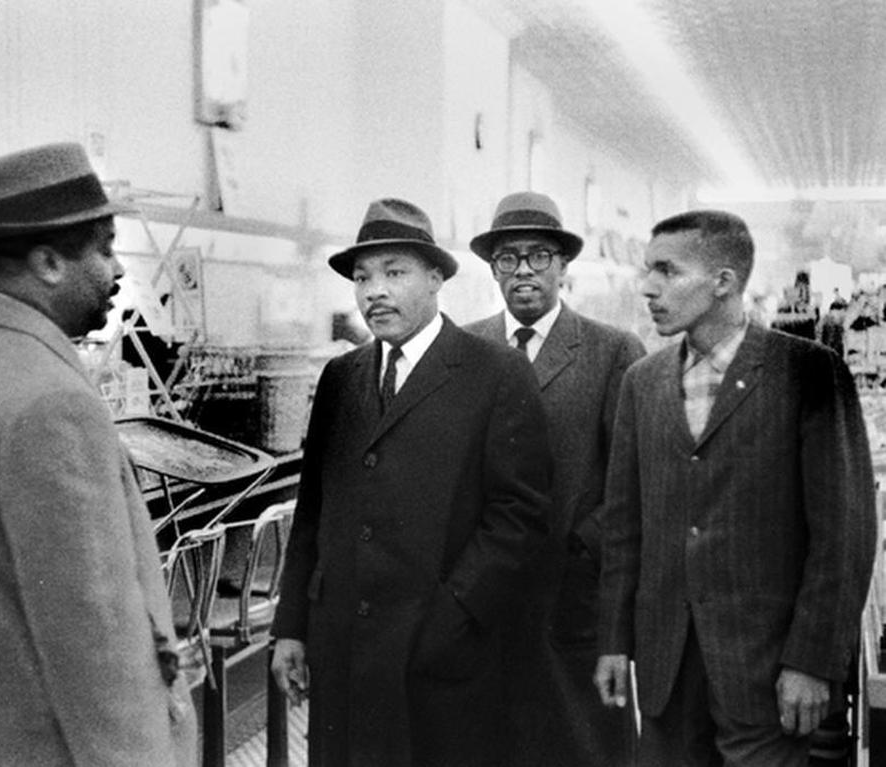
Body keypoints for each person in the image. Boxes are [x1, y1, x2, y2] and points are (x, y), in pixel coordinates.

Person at [0, 143, 197, 767]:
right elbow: (96, 646)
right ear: (48, 262)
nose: (118, 271)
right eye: (105, 249)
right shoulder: (53, 402)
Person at [270, 198, 554, 767]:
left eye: (394, 272)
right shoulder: (341, 377)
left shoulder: (494, 373)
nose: (374, 292)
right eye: (362, 278)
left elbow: (519, 517)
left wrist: (452, 617)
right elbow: (313, 511)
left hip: (442, 657)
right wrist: (291, 628)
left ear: (435, 279)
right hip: (344, 651)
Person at [594, 210, 876, 766]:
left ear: (723, 281)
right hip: (667, 673)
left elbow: (843, 534)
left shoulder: (808, 371)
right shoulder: (642, 383)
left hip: (767, 672)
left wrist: (813, 661)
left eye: (667, 271)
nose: (647, 286)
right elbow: (624, 527)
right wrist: (613, 641)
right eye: (648, 270)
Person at [464, 191, 644, 766]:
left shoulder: (612, 352)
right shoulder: (463, 349)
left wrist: (582, 549)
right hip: (484, 599)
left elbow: (632, 480)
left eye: (539, 255)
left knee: (580, 746)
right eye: (508, 257)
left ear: (563, 266)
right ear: (492, 269)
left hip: (573, 602)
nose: (523, 270)